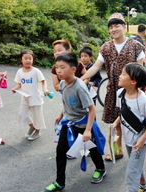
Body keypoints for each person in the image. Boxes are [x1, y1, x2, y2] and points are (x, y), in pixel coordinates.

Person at [80, 13, 145, 161]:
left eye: (117, 26)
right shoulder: (106, 47)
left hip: (132, 89)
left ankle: (136, 148)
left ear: (124, 27)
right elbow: (96, 66)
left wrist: (139, 87)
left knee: (133, 120)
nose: (114, 29)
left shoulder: (135, 46)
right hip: (114, 90)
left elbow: (141, 68)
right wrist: (79, 80)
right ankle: (118, 149)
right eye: (111, 27)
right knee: (115, 121)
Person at [44, 52, 106, 192]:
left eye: (62, 67)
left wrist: (88, 130)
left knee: (92, 148)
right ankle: (60, 182)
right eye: (57, 67)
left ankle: (101, 168)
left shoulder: (79, 87)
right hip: (69, 123)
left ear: (73, 69)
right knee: (60, 151)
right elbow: (66, 102)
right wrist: (61, 114)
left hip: (84, 124)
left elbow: (92, 109)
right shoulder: (62, 84)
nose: (58, 70)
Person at [111, 63, 146, 192]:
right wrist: (116, 122)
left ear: (133, 81)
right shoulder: (120, 93)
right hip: (129, 139)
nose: (120, 76)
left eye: (124, 74)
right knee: (136, 164)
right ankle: (143, 184)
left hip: (140, 141)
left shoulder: (144, 100)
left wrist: (142, 139)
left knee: (132, 171)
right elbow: (122, 113)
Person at [12, 49, 49, 141]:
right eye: (26, 58)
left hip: (35, 97)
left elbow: (43, 80)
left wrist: (45, 89)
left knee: (37, 116)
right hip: (25, 97)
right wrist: (15, 89)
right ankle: (32, 126)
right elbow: (19, 84)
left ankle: (37, 132)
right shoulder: (20, 72)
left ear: (33, 59)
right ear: (21, 59)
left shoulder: (36, 71)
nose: (28, 60)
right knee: (22, 114)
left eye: (30, 58)